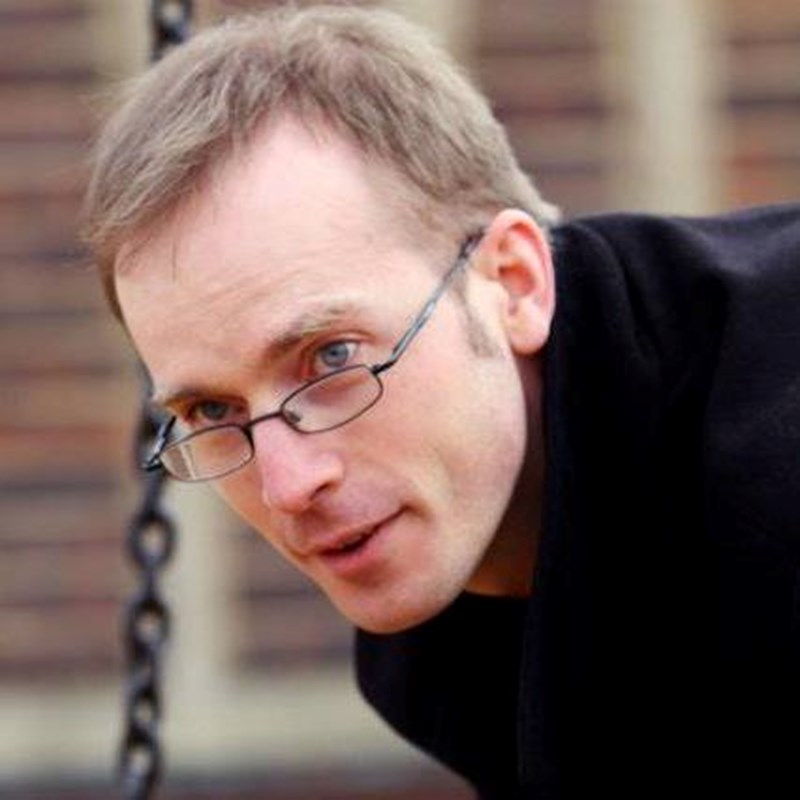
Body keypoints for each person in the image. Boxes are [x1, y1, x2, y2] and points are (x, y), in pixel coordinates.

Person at [83, 5, 799, 799]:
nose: (289, 486)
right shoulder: (434, 641)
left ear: (513, 284)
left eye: (333, 357)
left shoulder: (774, 452)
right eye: (212, 412)